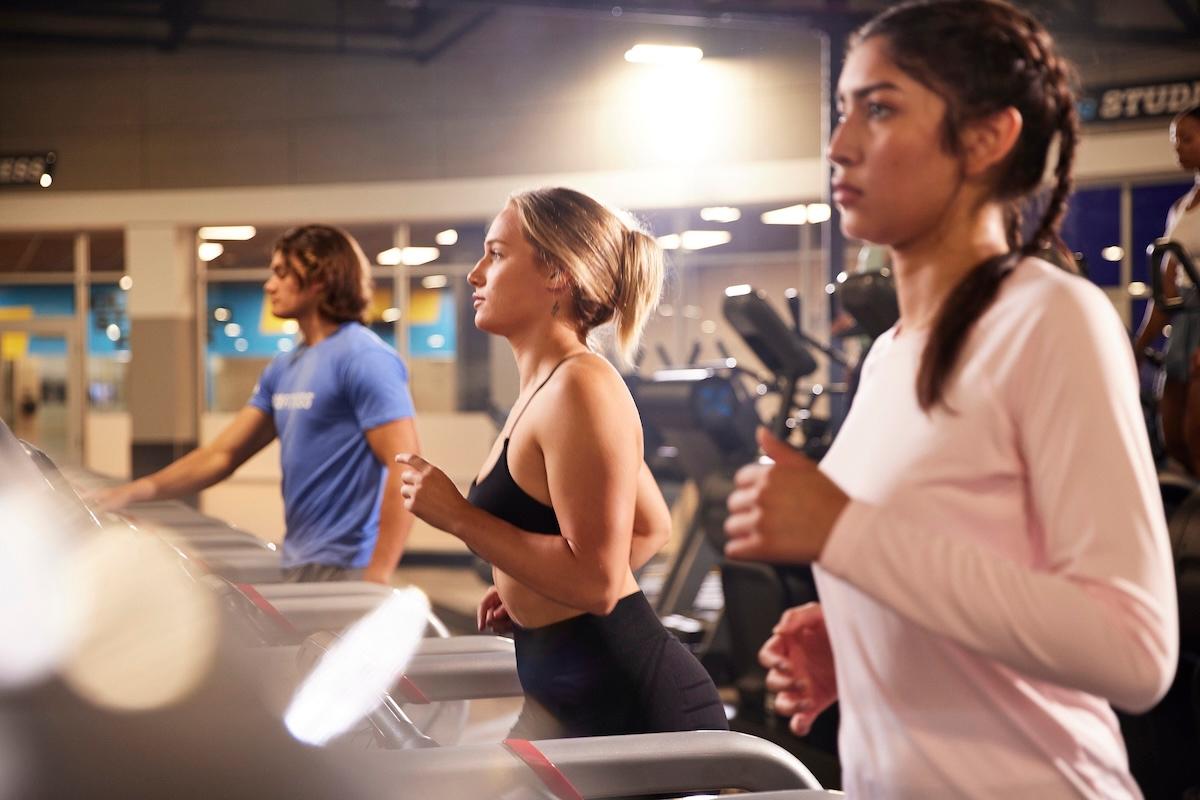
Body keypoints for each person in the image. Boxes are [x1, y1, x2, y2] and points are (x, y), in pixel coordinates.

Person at [724, 1, 1178, 797]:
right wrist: (870, 640)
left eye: (881, 109)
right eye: (842, 112)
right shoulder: (891, 357)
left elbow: (1135, 651)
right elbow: (949, 568)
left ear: (985, 138)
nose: (839, 146)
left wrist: (846, 535)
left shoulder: (1048, 318)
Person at [396, 187, 728, 739]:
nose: (475, 274)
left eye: (497, 254)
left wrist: (459, 519)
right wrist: (534, 586)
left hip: (627, 707)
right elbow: (650, 525)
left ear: (556, 273)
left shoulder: (582, 386)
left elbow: (598, 582)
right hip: (562, 692)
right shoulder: (548, 387)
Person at [90, 225, 418, 584]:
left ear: (319, 279)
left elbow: (404, 465)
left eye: (281, 272)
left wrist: (379, 573)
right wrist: (130, 493)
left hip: (350, 566)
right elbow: (222, 454)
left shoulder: (364, 357)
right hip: (299, 559)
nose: (269, 285)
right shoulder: (285, 366)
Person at [1134, 105, 1200, 475]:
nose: (1178, 148)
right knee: (1173, 435)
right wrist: (1140, 346)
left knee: (1197, 433)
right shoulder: (1180, 208)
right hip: (1185, 321)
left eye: (1187, 139)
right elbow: (1167, 285)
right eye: (1176, 141)